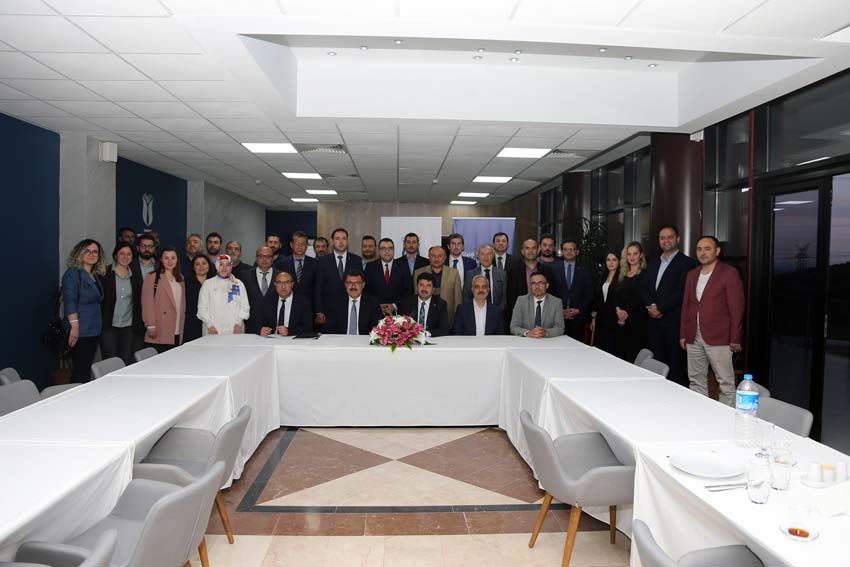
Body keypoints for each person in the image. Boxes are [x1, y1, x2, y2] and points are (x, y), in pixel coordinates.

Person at [680, 236, 745, 406]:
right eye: (699, 249)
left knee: (725, 382)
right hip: (693, 335)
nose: (703, 253)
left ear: (717, 251)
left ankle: (726, 418)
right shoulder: (692, 275)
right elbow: (686, 306)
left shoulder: (729, 273)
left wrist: (735, 337)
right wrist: (683, 334)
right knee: (696, 380)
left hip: (719, 337)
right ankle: (700, 414)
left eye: (707, 249)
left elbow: (736, 308)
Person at [643, 226, 697, 386]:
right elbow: (644, 288)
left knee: (676, 366)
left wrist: (661, 308)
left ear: (677, 239)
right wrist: (651, 306)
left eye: (670, 237)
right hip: (653, 323)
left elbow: (682, 291)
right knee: (657, 363)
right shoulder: (653, 263)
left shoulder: (687, 263)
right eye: (662, 237)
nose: (666, 240)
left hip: (673, 323)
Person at [63, 239, 105, 382]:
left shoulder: (95, 275)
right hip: (80, 330)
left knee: (86, 369)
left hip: (94, 328)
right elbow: (70, 301)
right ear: (79, 253)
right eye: (87, 251)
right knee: (80, 371)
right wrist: (75, 327)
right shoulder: (72, 274)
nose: (91, 254)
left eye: (95, 252)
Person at [100, 242, 143, 365]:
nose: (125, 257)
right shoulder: (104, 273)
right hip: (109, 326)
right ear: (115, 255)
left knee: (125, 360)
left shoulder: (136, 275)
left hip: (128, 326)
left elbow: (138, 301)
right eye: (122, 253)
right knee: (110, 361)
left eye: (129, 254)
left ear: (132, 257)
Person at [314, 228, 362, 331]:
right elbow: (318, 287)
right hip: (328, 312)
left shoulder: (356, 260)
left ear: (347, 241)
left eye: (344, 238)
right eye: (337, 238)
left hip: (350, 310)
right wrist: (319, 311)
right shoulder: (323, 261)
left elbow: (360, 286)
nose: (341, 242)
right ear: (332, 241)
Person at [141, 246, 185, 353]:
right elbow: (147, 303)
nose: (170, 261)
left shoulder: (180, 278)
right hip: (159, 326)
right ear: (161, 259)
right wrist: (150, 324)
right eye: (166, 258)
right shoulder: (152, 277)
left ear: (177, 260)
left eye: (173, 258)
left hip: (177, 326)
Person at [552, 239, 595, 341]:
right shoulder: (553, 269)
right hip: (558, 317)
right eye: (566, 249)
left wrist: (579, 309)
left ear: (577, 252)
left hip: (578, 318)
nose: (569, 252)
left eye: (572, 249)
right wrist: (560, 311)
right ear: (562, 252)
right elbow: (551, 292)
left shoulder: (586, 269)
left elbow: (590, 293)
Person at [197, 254, 250, 336]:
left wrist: (238, 322)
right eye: (221, 264)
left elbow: (245, 307)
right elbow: (202, 308)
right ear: (217, 266)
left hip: (235, 330)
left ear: (231, 266)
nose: (224, 268)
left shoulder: (238, 284)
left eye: (227, 265)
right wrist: (209, 325)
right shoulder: (208, 284)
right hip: (212, 330)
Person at [614, 241, 649, 363]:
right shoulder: (622, 274)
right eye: (629, 254)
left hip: (637, 323)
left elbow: (640, 298)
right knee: (621, 358)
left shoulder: (645, 275)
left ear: (641, 255)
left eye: (635, 253)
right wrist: (618, 311)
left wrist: (625, 313)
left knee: (634, 357)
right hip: (620, 322)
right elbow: (615, 297)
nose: (632, 257)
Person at [505, 238, 556, 317]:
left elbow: (552, 294)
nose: (530, 251)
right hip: (520, 315)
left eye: (533, 248)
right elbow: (510, 297)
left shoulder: (547, 271)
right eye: (527, 248)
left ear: (538, 250)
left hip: (543, 314)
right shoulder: (513, 271)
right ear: (523, 251)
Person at [414, 245, 462, 328]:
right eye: (433, 256)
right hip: (424, 316)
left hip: (448, 316)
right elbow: (415, 296)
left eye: (440, 256)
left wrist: (457, 319)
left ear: (445, 257)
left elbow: (458, 299)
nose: (436, 259)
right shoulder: (418, 272)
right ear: (429, 257)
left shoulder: (454, 273)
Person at [510, 271, 564, 338]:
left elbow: (560, 327)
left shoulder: (556, 302)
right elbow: (514, 326)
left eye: (540, 283)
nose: (537, 286)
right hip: (526, 340)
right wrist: (528, 333)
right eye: (533, 283)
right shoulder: (521, 301)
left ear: (547, 285)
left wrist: (545, 332)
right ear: (530, 286)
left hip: (548, 341)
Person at [326, 269, 382, 335]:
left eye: (357, 283)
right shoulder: (335, 302)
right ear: (345, 285)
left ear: (363, 285)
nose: (353, 286)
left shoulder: (373, 303)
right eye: (349, 283)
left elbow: (376, 328)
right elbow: (331, 329)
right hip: (341, 340)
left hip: (364, 340)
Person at [364, 238, 410, 315]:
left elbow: (408, 292)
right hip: (375, 313)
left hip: (397, 314)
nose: (387, 251)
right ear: (379, 250)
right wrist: (377, 306)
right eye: (383, 248)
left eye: (390, 248)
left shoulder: (403, 267)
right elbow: (366, 291)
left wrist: (394, 306)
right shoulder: (370, 267)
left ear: (394, 250)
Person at [238, 246, 279, 334]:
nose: (264, 259)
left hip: (275, 327)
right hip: (251, 327)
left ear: (272, 259)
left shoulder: (280, 276)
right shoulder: (244, 276)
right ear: (256, 258)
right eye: (261, 256)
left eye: (268, 257)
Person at [259, 271, 312, 337]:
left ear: (292, 284)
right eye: (279, 283)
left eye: (287, 283)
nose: (283, 287)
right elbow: (258, 323)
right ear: (275, 284)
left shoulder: (303, 302)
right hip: (272, 338)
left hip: (292, 339)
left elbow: (308, 328)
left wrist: (289, 331)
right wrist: (261, 330)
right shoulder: (268, 300)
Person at [398, 272, 449, 337]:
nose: (424, 288)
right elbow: (401, 325)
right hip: (411, 339)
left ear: (433, 289)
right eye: (421, 285)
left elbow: (444, 329)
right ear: (417, 287)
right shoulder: (406, 302)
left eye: (428, 285)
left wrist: (425, 334)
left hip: (432, 340)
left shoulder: (440, 304)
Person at [277, 231, 317, 311]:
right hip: (288, 306)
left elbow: (317, 288)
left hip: (309, 306)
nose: (299, 247)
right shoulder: (281, 264)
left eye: (303, 244)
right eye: (296, 243)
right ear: (291, 245)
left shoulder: (315, 263)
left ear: (307, 245)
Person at [591, 251, 621, 355]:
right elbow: (597, 300)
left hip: (614, 319)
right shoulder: (602, 277)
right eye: (608, 260)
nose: (611, 263)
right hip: (601, 318)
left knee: (611, 349)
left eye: (614, 260)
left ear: (619, 261)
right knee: (600, 349)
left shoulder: (622, 278)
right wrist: (593, 318)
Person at [463, 243, 506, 309]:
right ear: (478, 256)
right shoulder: (470, 274)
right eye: (482, 254)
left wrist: (498, 312)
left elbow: (504, 299)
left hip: (497, 312)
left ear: (493, 256)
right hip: (476, 311)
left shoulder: (502, 274)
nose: (485, 257)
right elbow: (466, 297)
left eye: (489, 254)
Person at [183, 254, 212, 343]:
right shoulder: (185, 283)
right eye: (197, 264)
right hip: (191, 323)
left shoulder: (215, 282)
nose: (201, 267)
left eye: (204, 263)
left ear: (209, 265)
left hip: (211, 323)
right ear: (193, 267)